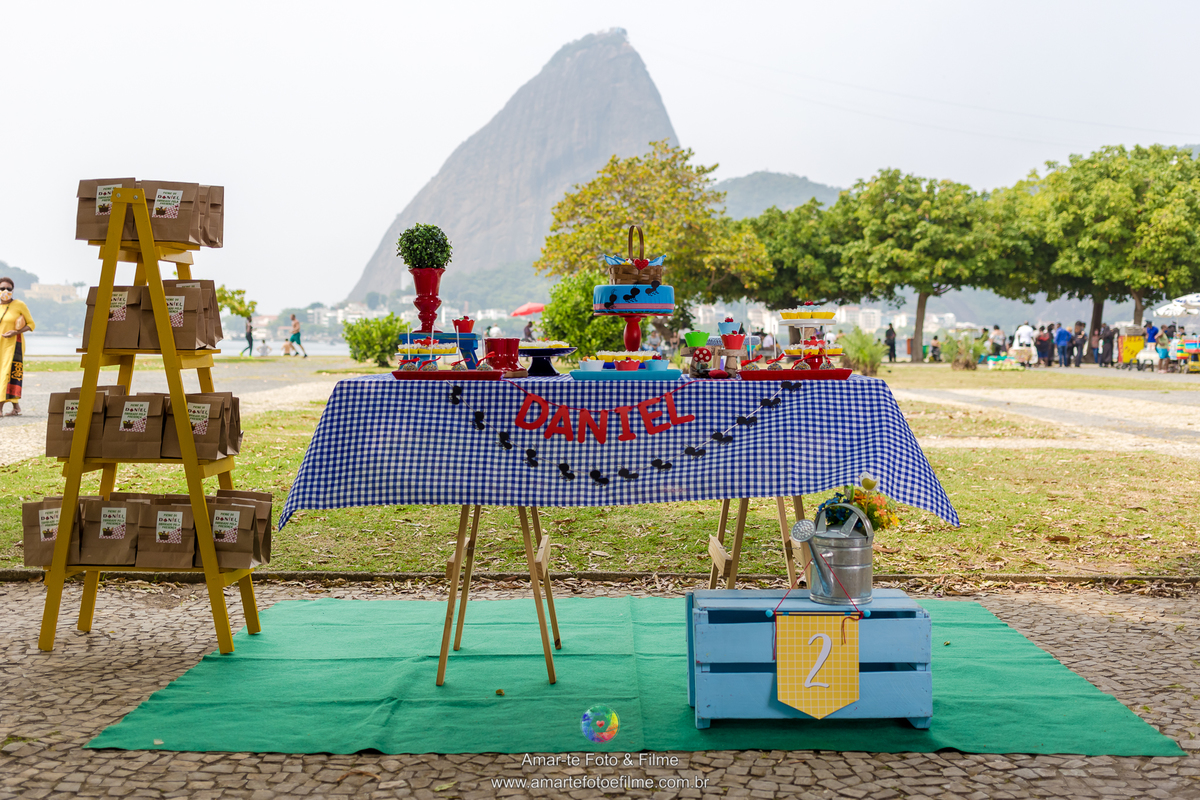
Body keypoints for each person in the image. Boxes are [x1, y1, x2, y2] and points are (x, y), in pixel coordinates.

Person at [0, 277, 34, 416]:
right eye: (2, 288)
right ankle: (16, 408)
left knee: (5, 374)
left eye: (9, 288)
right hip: (1, 345)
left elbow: (31, 324)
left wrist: (17, 331)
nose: (5, 291)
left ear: (13, 290)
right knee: (9, 375)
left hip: (13, 345)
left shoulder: (19, 305)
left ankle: (0, 409)